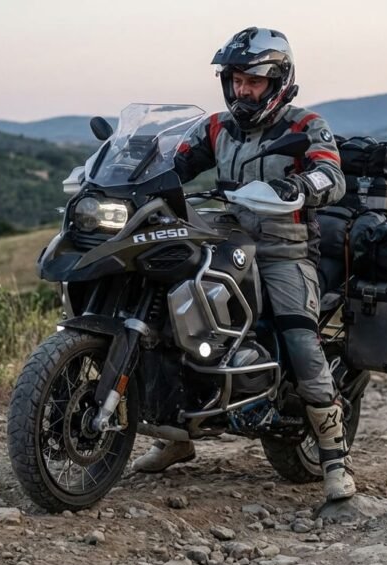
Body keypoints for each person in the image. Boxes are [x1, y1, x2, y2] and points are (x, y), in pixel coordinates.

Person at [131, 27, 356, 501]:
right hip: (224, 238)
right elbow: (176, 162)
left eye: (252, 82)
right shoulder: (218, 127)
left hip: (285, 247)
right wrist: (136, 168)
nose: (242, 91)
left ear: (278, 82)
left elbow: (332, 174)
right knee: (167, 315)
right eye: (235, 81)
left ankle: (335, 457)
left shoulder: (304, 125)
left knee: (299, 335)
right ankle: (175, 437)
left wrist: (303, 187)